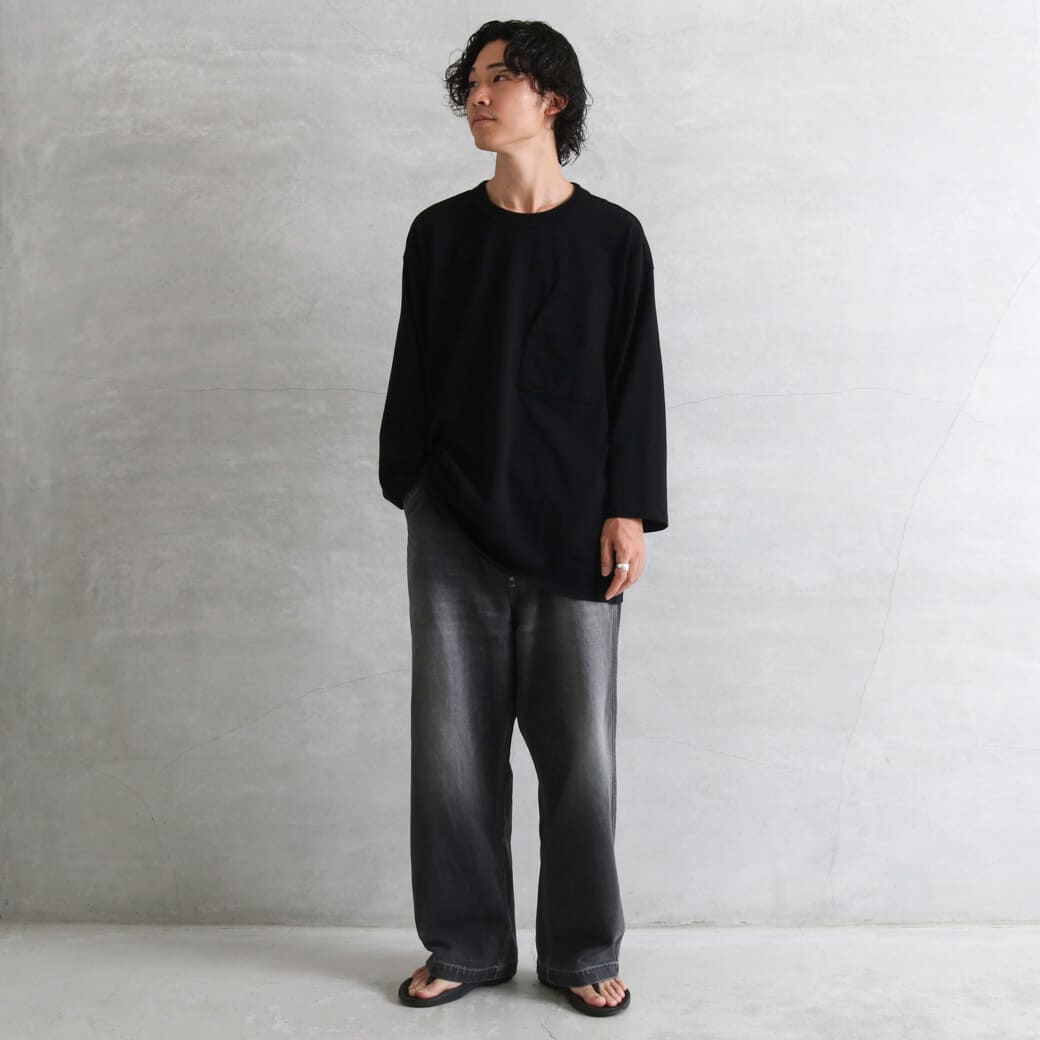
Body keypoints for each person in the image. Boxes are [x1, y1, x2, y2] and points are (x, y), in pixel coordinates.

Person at [378, 18, 667, 1018]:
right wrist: (414, 489)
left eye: (499, 78)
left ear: (552, 99)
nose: (477, 95)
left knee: (581, 758)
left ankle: (581, 948)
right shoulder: (439, 234)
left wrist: (628, 509)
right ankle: (465, 943)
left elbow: (635, 382)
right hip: (453, 525)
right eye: (471, 80)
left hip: (576, 533)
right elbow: (415, 369)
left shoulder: (612, 238)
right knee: (450, 753)